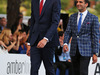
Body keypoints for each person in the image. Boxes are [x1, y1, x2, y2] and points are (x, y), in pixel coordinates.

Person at [63, 0, 99, 75]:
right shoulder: (72, 17)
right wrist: (65, 43)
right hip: (74, 50)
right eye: (77, 2)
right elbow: (68, 32)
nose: (78, 4)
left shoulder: (93, 18)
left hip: (86, 50)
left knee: (83, 73)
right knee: (75, 72)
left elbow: (95, 36)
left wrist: (95, 53)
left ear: (86, 4)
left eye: (80, 2)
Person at [27, 0, 61, 75]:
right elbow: (33, 22)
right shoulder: (34, 1)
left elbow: (55, 22)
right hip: (35, 41)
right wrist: (29, 42)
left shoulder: (55, 1)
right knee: (34, 68)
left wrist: (46, 39)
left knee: (49, 68)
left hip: (49, 41)